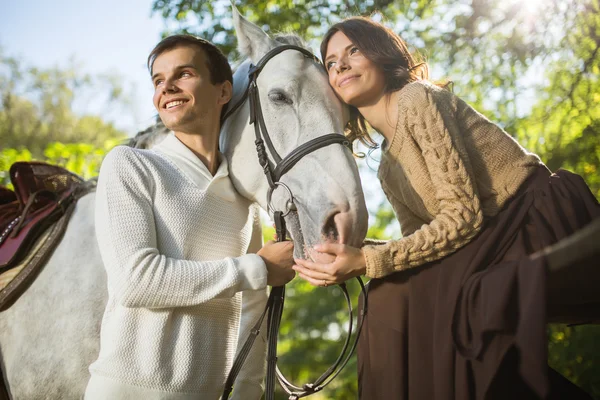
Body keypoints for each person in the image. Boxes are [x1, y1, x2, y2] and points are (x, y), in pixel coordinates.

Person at [293, 17, 600, 400]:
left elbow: (462, 215)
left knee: (407, 297)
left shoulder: (416, 99)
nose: (340, 65)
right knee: (389, 294)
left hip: (528, 215)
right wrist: (340, 253)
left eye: (353, 50)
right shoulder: (388, 166)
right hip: (486, 236)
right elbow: (419, 244)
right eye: (331, 61)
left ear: (381, 54)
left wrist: (366, 261)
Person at [85, 35, 295, 400]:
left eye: (183, 74)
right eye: (157, 80)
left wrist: (247, 392)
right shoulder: (130, 164)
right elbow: (136, 282)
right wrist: (256, 268)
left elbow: (252, 310)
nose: (167, 87)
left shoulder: (243, 196)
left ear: (223, 91)